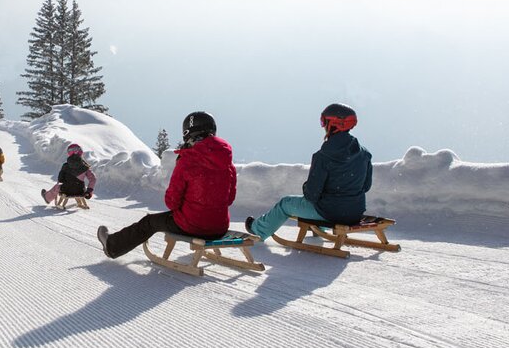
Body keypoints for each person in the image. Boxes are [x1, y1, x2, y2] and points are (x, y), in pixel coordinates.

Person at [97, 111, 236, 258]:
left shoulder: (187, 160)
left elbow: (172, 202)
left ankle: (112, 246)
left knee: (149, 222)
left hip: (193, 226)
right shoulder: (228, 163)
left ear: (188, 134)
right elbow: (229, 199)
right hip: (220, 227)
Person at [246, 103, 372, 239]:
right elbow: (366, 186)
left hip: (330, 213)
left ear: (333, 124)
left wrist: (306, 187)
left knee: (285, 204)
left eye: (324, 121)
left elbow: (312, 195)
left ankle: (258, 230)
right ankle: (318, 227)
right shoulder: (364, 153)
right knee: (325, 202)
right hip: (355, 212)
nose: (323, 126)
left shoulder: (323, 156)